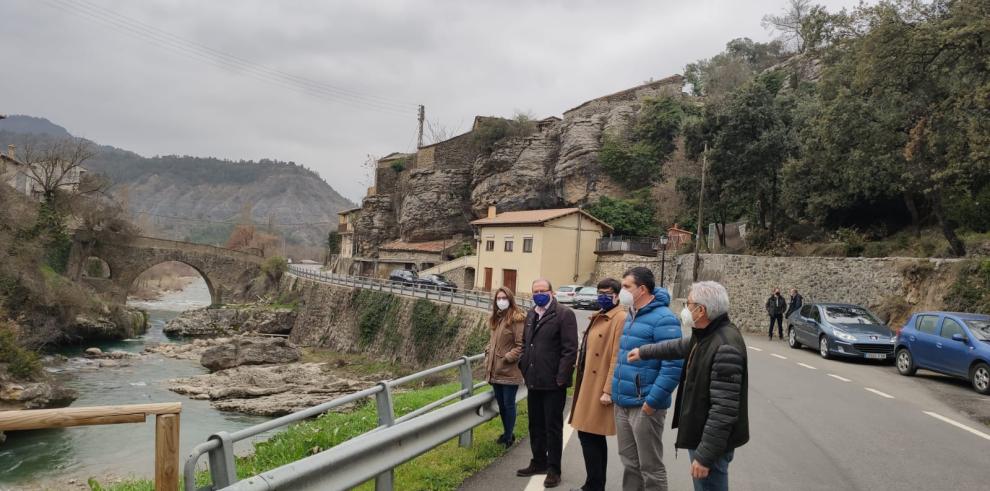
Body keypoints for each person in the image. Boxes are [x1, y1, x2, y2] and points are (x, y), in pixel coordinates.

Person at [628, 281, 749, 491]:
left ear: (701, 310)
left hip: (710, 443)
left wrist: (705, 456)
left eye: (689, 303)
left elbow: (723, 410)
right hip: (702, 435)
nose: (686, 308)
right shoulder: (707, 334)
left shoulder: (725, 346)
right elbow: (681, 346)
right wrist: (644, 351)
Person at [611, 267, 684, 491]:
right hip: (623, 402)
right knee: (630, 462)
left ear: (642, 289)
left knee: (650, 466)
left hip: (645, 405)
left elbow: (673, 366)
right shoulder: (631, 314)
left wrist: (652, 402)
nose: (621, 291)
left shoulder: (664, 319)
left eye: (626, 287)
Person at [517, 278, 578, 488]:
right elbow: (526, 343)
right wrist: (523, 365)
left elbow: (570, 350)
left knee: (552, 427)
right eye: (536, 291)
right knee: (535, 425)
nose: (539, 293)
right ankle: (538, 461)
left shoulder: (564, 314)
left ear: (551, 292)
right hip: (533, 380)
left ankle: (554, 469)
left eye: (543, 290)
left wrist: (561, 378)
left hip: (554, 383)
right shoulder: (531, 313)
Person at [568, 278, 626, 491]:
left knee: (588, 434)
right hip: (588, 382)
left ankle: (594, 485)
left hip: (599, 385)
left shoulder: (619, 318)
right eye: (600, 292)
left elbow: (617, 356)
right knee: (591, 435)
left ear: (617, 295)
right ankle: (594, 484)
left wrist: (608, 390)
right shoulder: (600, 315)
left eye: (608, 293)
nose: (603, 296)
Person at [483, 286, 526, 447]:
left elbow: (521, 344)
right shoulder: (497, 318)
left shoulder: (516, 319)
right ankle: (508, 433)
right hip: (495, 371)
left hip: (509, 371)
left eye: (504, 298)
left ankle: (508, 436)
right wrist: (488, 351)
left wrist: (508, 358)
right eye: (498, 298)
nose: (501, 301)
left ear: (510, 299)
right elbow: (494, 341)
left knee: (508, 404)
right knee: (501, 405)